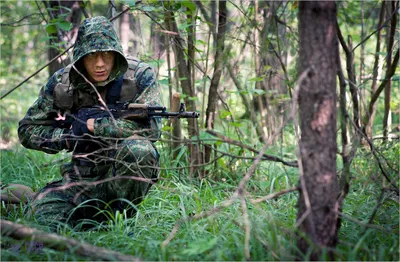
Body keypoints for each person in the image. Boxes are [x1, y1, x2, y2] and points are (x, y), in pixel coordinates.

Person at [17, 16, 161, 231]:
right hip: (78, 180)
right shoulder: (63, 82)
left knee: (139, 149)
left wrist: (96, 126)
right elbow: (27, 130)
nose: (100, 63)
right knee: (41, 222)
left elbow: (151, 130)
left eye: (106, 55)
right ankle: (28, 198)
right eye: (92, 56)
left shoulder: (139, 76)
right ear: (81, 58)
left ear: (115, 54)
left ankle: (122, 221)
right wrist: (67, 137)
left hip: (119, 177)